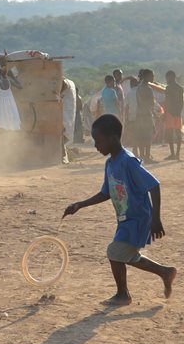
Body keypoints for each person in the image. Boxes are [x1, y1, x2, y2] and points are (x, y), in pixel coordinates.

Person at [63, 114, 176, 305]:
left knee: (114, 251)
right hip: (125, 218)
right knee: (126, 254)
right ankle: (165, 272)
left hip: (139, 218)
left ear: (113, 138)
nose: (96, 146)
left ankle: (123, 295)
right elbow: (106, 193)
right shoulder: (110, 163)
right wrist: (80, 205)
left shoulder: (128, 161)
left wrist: (156, 220)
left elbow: (154, 186)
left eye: (98, 141)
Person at [133, 69, 156, 162]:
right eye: (152, 76)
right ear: (147, 77)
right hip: (146, 115)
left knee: (141, 136)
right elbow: (151, 103)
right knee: (148, 137)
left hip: (139, 115)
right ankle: (146, 156)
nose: (153, 78)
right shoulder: (147, 89)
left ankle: (142, 156)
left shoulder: (139, 88)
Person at [163, 70, 184, 160]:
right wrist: (179, 111)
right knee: (178, 133)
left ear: (171, 77)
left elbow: (167, 101)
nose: (166, 80)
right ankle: (177, 153)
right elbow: (181, 102)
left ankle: (172, 154)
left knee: (170, 133)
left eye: (167, 78)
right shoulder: (180, 88)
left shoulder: (168, 88)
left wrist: (165, 113)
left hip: (170, 113)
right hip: (177, 113)